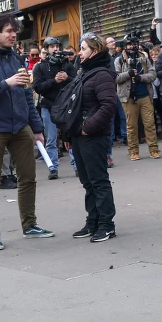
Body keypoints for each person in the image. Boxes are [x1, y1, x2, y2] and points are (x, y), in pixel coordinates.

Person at [0, 12, 54, 251]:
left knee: (28, 177)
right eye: (8, 31)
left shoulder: (16, 58)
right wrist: (6, 83)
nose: (14, 35)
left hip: (20, 127)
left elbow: (27, 95)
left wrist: (36, 129)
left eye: (15, 31)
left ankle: (30, 225)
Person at [65, 33, 119, 242]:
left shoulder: (102, 74)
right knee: (87, 181)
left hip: (93, 136)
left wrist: (88, 127)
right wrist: (70, 134)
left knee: (98, 180)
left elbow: (109, 106)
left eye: (84, 48)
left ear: (94, 51)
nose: (80, 52)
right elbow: (74, 105)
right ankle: (93, 221)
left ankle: (107, 224)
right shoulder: (83, 73)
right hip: (79, 135)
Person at [32, 36, 75, 178]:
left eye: (57, 46)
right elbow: (38, 87)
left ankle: (77, 165)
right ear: (46, 49)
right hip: (48, 105)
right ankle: (53, 167)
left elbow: (76, 83)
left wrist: (67, 78)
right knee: (51, 139)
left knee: (70, 136)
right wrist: (54, 81)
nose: (55, 49)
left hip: (66, 105)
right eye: (52, 47)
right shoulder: (40, 66)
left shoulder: (67, 64)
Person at [114, 38, 159, 160]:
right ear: (125, 46)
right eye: (129, 44)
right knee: (131, 125)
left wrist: (141, 78)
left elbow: (153, 74)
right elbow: (116, 78)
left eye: (134, 44)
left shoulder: (144, 57)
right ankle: (133, 151)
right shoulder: (119, 59)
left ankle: (154, 149)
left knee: (149, 124)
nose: (132, 47)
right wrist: (128, 74)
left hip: (145, 95)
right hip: (128, 97)